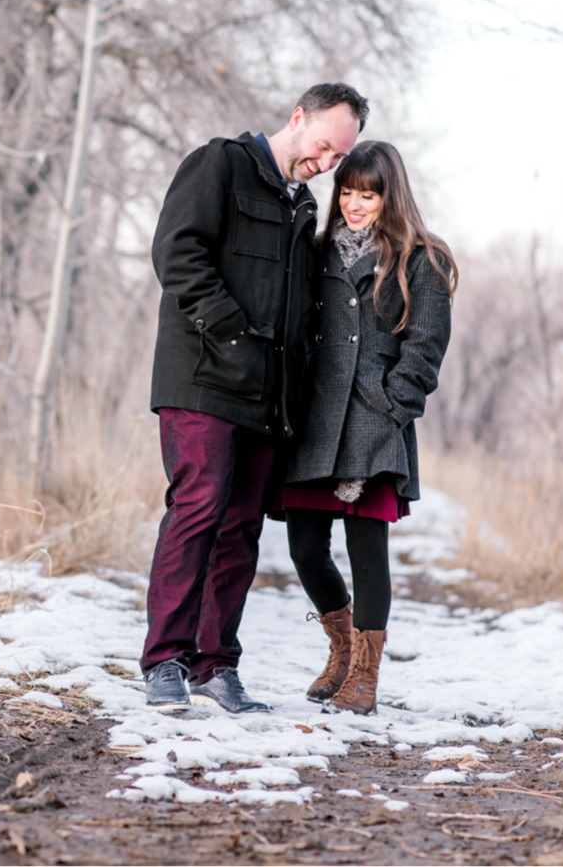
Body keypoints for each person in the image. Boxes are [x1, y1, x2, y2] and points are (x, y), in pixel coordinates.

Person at [143, 83, 367, 714]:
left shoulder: (301, 205)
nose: (325, 165)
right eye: (323, 147)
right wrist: (234, 333)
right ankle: (165, 660)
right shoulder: (220, 164)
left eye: (336, 158)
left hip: (267, 400)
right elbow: (177, 253)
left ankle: (216, 665)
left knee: (241, 528)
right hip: (204, 381)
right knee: (198, 509)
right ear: (298, 118)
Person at [277, 140, 456, 715]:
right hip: (314, 421)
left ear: (390, 195)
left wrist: (390, 406)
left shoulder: (420, 259)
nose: (355, 204)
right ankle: (342, 646)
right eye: (348, 192)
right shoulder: (316, 251)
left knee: (366, 549)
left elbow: (425, 349)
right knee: (305, 547)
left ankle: (365, 676)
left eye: (369, 194)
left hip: (373, 424)